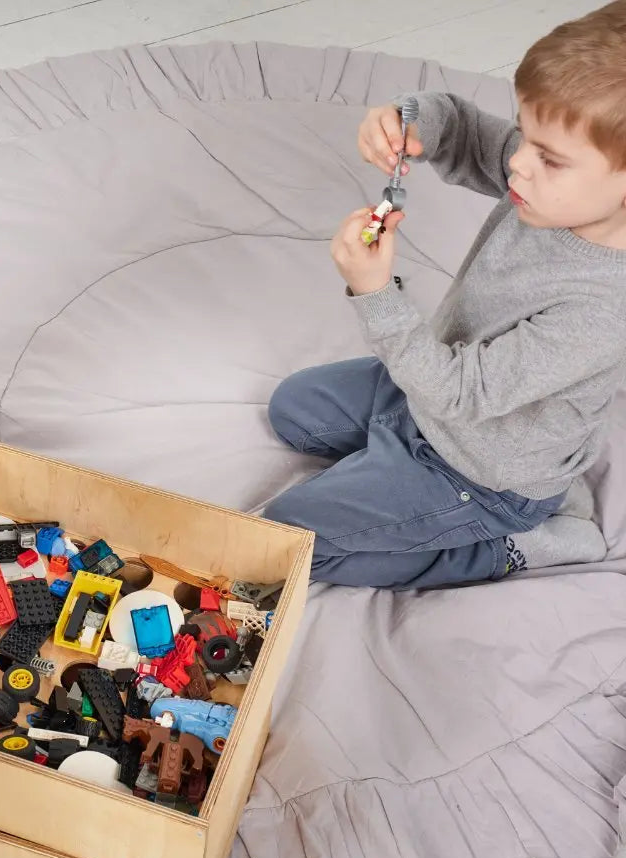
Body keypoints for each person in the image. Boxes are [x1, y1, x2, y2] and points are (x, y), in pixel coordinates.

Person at [264, 1, 626, 589]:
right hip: (430, 395)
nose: (518, 163)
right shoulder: (557, 189)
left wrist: (376, 294)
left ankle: (512, 544)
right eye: (527, 137)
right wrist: (415, 125)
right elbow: (467, 133)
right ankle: (395, 472)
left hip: (482, 470)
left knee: (285, 543)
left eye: (548, 157)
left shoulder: (602, 310)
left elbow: (463, 393)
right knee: (294, 411)